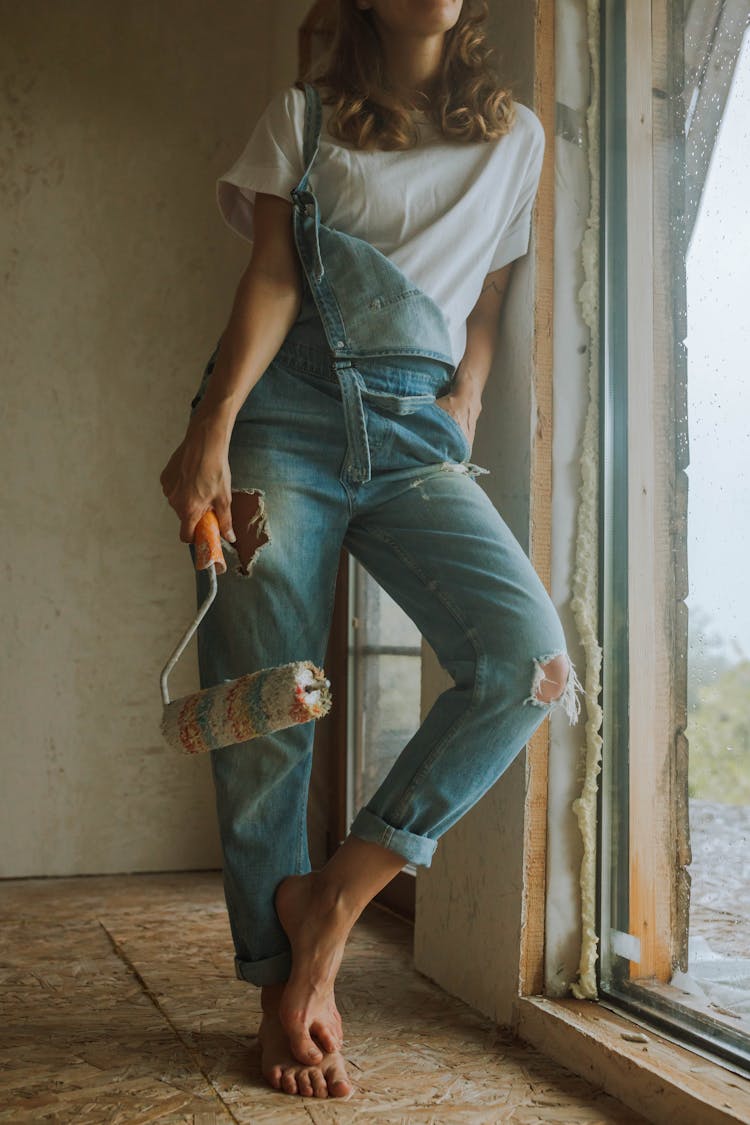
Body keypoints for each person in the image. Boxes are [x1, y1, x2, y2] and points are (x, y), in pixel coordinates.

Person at [160, 0, 581, 1102]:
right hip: (282, 423)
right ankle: (281, 993)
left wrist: (466, 405)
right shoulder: (303, 120)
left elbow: (484, 300)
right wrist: (209, 433)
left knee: (525, 662)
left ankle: (333, 901)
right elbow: (270, 280)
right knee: (266, 709)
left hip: (413, 430)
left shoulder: (518, 137)